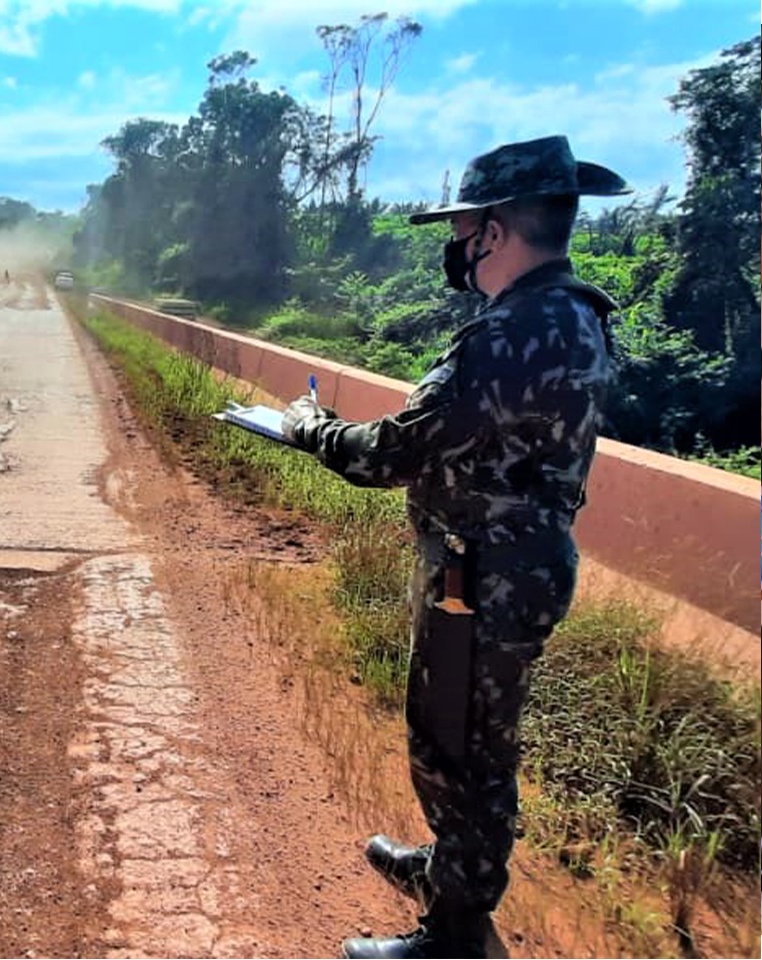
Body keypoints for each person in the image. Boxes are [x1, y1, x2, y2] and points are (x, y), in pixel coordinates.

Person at [279, 135, 630, 959]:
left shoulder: (511, 334)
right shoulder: (573, 313)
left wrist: (309, 431)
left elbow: (398, 452)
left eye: (465, 226)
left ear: (496, 232)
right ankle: (451, 869)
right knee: (474, 735)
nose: (456, 244)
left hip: (485, 575)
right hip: (510, 562)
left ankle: (455, 933)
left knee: (458, 748)